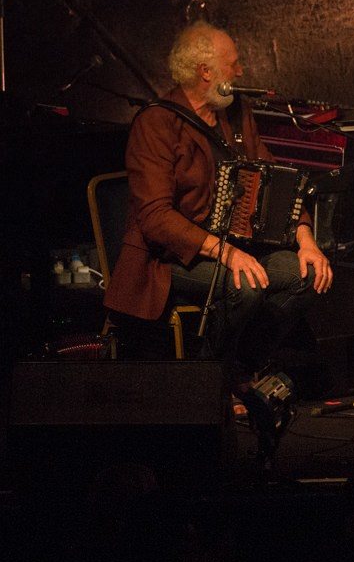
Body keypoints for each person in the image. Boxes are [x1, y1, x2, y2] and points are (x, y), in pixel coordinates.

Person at [104, 21, 332, 367]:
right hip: (170, 258)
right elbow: (155, 217)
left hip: (236, 249)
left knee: (310, 274)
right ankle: (211, 380)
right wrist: (223, 251)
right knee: (246, 286)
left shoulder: (236, 114)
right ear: (205, 71)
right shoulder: (156, 123)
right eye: (233, 63)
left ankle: (241, 370)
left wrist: (306, 238)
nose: (240, 71)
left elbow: (279, 183)